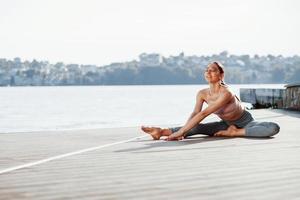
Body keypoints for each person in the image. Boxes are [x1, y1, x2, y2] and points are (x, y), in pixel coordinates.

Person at [141, 61, 280, 141]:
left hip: (246, 122)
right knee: (195, 127)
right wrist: (182, 131)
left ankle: (235, 133)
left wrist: (180, 132)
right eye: (206, 70)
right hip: (225, 124)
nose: (208, 73)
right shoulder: (202, 94)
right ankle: (160, 131)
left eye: (212, 70)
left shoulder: (226, 93)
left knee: (273, 128)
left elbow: (203, 114)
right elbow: (196, 113)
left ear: (221, 74)